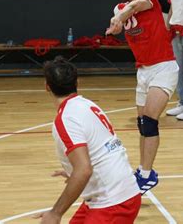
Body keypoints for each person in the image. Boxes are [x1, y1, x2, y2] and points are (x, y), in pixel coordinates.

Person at [34, 56, 141, 224]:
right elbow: (101, 150)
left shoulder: (66, 119)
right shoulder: (88, 105)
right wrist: (72, 171)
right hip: (118, 192)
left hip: (113, 201)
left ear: (47, 87)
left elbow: (83, 170)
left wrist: (55, 213)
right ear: (77, 83)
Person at [106, 0, 178, 194]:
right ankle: (142, 170)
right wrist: (116, 22)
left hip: (164, 67)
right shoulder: (119, 8)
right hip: (143, 72)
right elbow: (120, 14)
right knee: (142, 126)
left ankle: (147, 175)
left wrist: (119, 18)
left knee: (149, 121)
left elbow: (134, 7)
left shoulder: (151, 0)